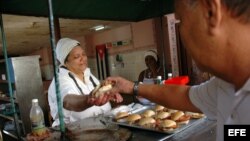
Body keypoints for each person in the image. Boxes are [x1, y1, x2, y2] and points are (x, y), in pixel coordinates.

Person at [105, 0, 250, 141]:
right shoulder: (225, 85)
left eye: (180, 21)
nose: (181, 34)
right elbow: (184, 96)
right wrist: (132, 87)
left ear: (210, 11)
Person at [48, 38, 122, 127]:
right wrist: (89, 100)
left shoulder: (87, 74)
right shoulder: (60, 79)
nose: (83, 58)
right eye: (77, 56)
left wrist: (109, 94)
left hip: (100, 127)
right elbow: (67, 101)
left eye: (84, 54)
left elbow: (98, 93)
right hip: (74, 132)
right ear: (65, 62)